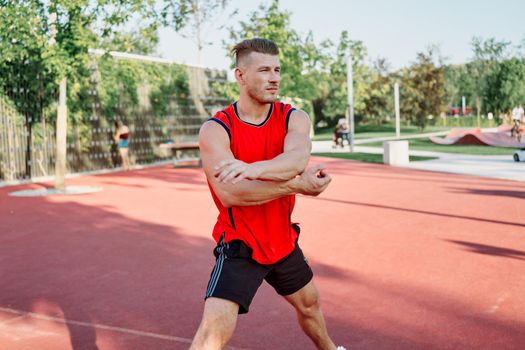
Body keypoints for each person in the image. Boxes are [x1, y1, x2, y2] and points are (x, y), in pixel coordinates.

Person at [191, 38, 345, 350]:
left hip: (282, 240)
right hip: (240, 243)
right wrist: (294, 184)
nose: (274, 77)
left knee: (310, 306)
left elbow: (297, 160)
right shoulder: (217, 129)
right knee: (214, 332)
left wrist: (251, 169)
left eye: (277, 69)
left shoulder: (293, 117)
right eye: (264, 70)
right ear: (240, 75)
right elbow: (232, 195)